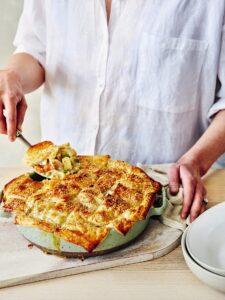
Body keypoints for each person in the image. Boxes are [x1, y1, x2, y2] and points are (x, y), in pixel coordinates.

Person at [0, 0, 225, 222]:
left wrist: (196, 161)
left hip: (167, 197)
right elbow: (35, 51)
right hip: (57, 196)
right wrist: (12, 77)